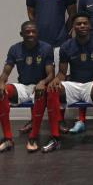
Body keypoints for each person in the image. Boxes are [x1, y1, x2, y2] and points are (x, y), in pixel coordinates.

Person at [48, 13, 93, 151]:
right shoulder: (66, 46)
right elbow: (62, 73)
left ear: (90, 26)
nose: (82, 26)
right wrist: (56, 80)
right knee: (52, 89)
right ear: (73, 27)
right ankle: (55, 137)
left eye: (85, 23)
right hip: (73, 85)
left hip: (92, 85)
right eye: (78, 24)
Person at [0, 21, 55, 153]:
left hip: (40, 86)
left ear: (38, 33)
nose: (31, 34)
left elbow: (51, 74)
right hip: (23, 87)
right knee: (1, 92)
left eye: (33, 31)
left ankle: (33, 137)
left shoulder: (46, 48)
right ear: (21, 34)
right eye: (27, 32)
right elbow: (6, 72)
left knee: (40, 92)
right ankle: (8, 139)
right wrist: (1, 83)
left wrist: (43, 82)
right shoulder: (15, 49)